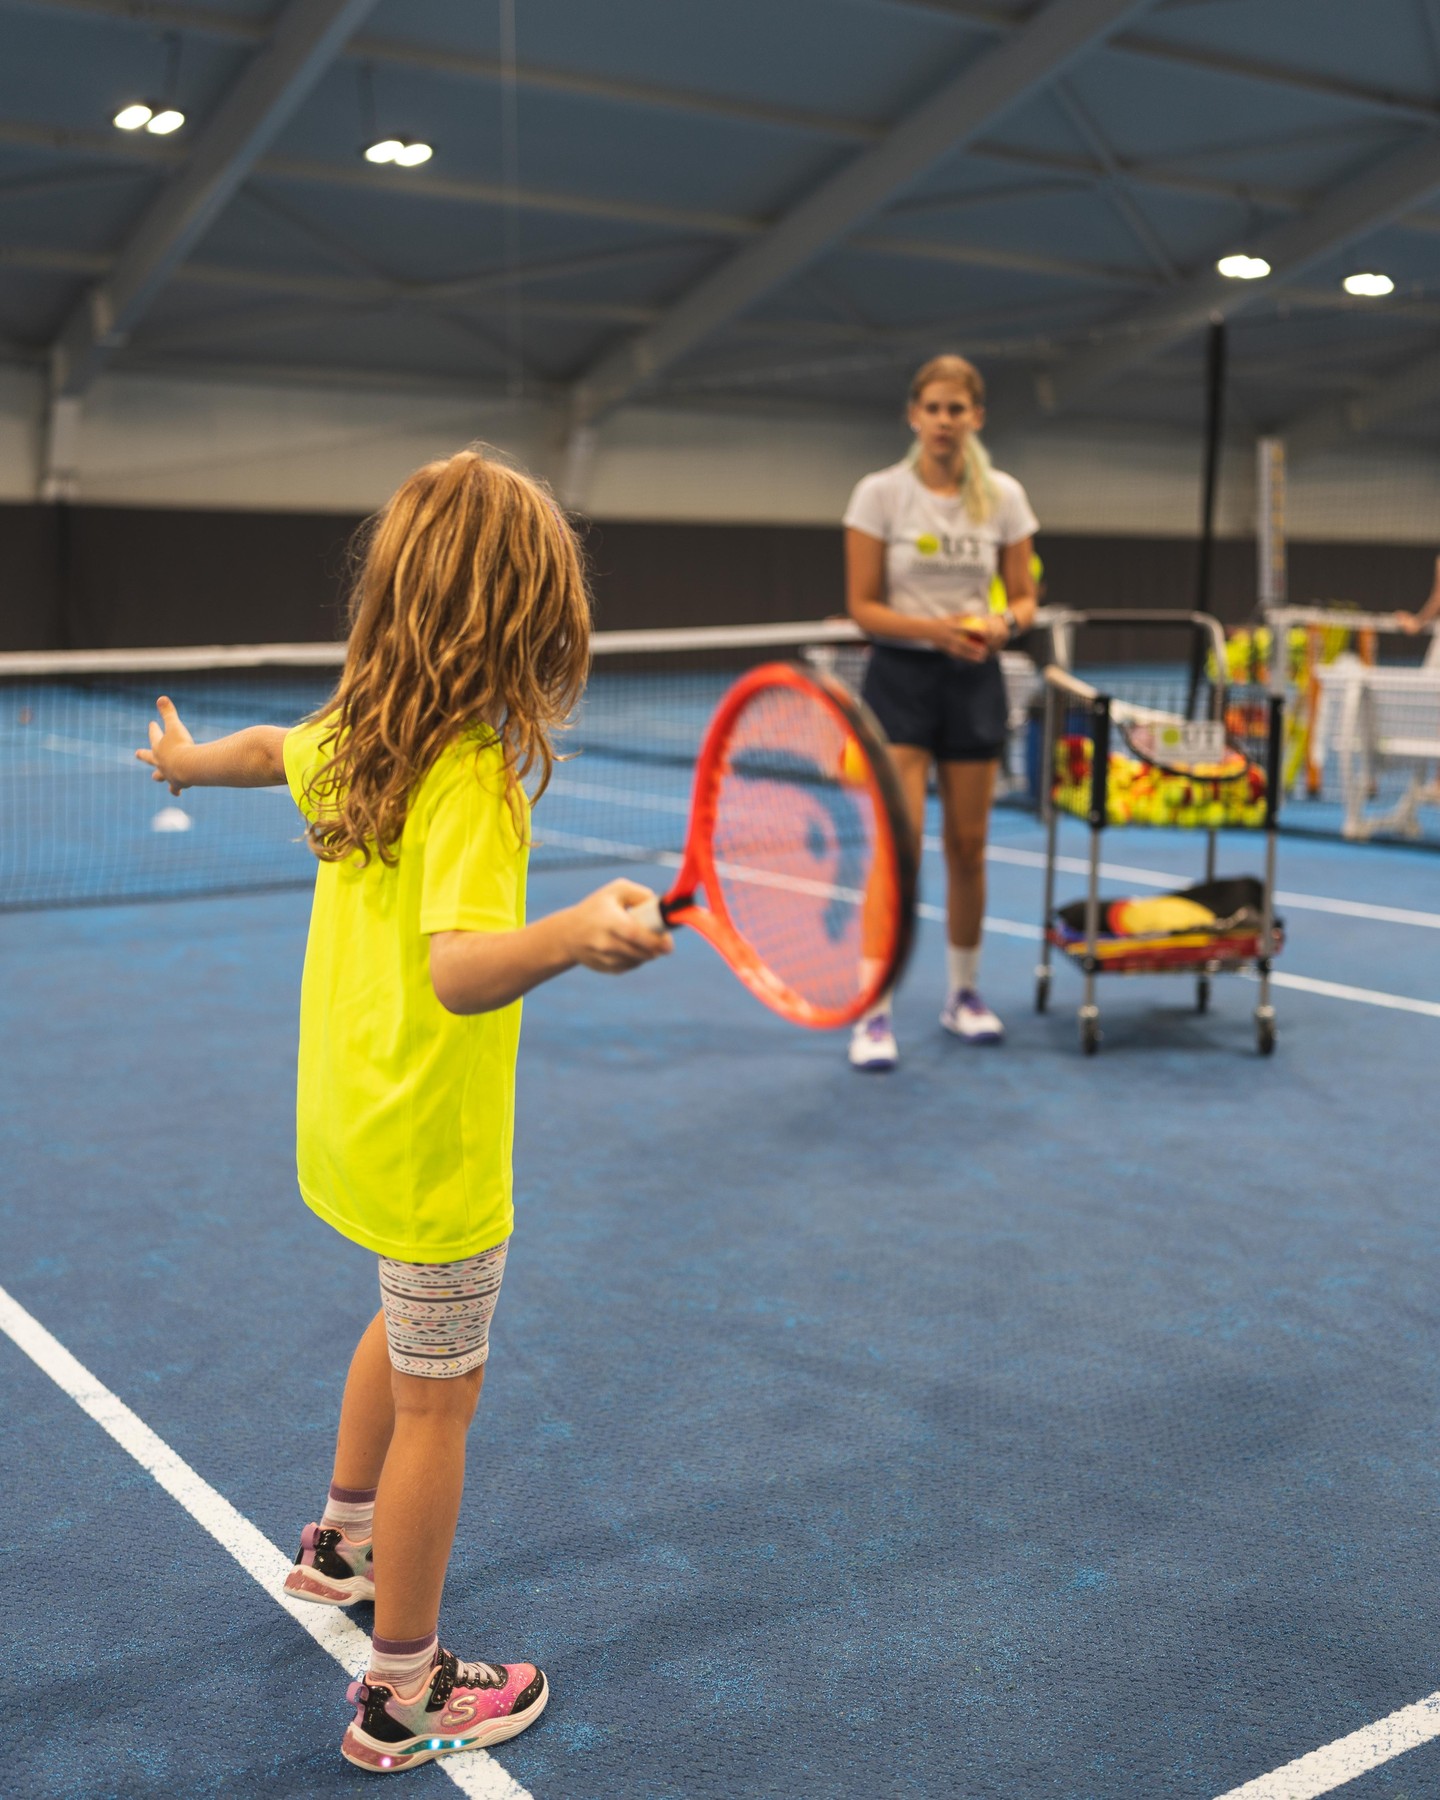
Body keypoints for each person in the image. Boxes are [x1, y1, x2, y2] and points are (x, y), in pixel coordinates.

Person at [136, 450, 671, 1774]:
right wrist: (571, 936)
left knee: (403, 1316)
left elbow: (272, 746)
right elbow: (462, 968)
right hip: (432, 1143)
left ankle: (341, 1542)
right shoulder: (471, 771)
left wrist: (189, 762)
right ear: (528, 615)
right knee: (447, 1398)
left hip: (348, 1115)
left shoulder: (363, 732)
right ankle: (405, 1689)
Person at [843, 354, 1038, 1070]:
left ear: (976, 418)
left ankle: (963, 995)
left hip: (975, 682)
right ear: (913, 416)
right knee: (900, 851)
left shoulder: (1005, 499)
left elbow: (1023, 598)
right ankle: (874, 1008)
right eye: (934, 408)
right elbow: (865, 606)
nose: (946, 421)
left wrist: (998, 626)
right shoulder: (880, 495)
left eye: (959, 409)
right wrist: (938, 630)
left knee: (968, 845)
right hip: (900, 677)